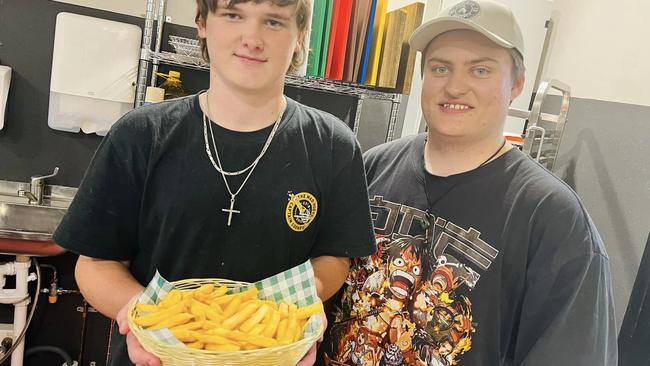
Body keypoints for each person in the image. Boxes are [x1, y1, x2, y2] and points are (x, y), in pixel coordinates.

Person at [53, 0, 376, 365]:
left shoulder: (333, 144)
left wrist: (298, 309)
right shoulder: (140, 134)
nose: (252, 38)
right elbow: (95, 263)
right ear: (202, 23)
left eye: (273, 21)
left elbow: (334, 257)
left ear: (299, 36)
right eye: (233, 15)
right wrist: (141, 315)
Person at [323, 0, 618, 365]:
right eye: (441, 67)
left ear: (517, 85)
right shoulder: (372, 167)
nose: (455, 86)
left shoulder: (554, 218)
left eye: (480, 70)